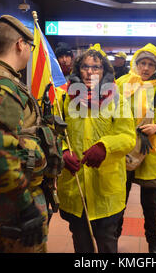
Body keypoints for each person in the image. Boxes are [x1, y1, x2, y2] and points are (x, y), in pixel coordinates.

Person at [0, 15, 60, 253]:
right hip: (12, 197)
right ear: (20, 45)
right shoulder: (1, 86)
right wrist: (25, 206)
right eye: (30, 46)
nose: (30, 52)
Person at [56, 44, 135, 253]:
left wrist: (105, 147)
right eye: (85, 67)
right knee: (81, 244)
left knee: (107, 243)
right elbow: (55, 133)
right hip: (76, 188)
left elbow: (128, 137)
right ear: (78, 70)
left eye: (96, 67)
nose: (90, 72)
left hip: (106, 190)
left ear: (105, 71)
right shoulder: (65, 99)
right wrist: (63, 151)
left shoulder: (117, 99)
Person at [116, 43, 156, 253]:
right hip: (123, 151)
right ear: (135, 63)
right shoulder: (122, 83)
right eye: (142, 62)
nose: (145, 68)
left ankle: (154, 244)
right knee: (118, 201)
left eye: (151, 64)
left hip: (150, 152)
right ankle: (112, 240)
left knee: (150, 204)